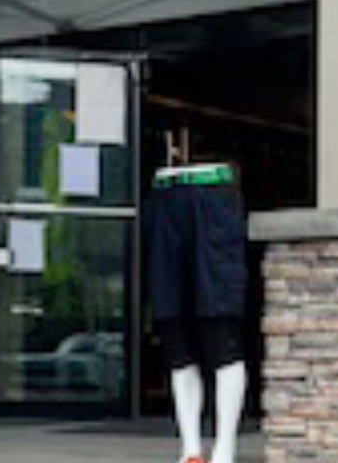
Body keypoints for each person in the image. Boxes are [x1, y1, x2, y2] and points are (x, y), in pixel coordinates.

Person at [145, 162, 248, 463]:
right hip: (164, 197)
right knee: (174, 328)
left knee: (221, 324)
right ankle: (191, 449)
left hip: (213, 193)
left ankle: (224, 449)